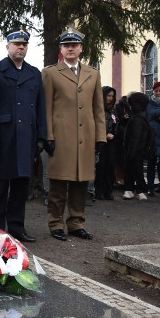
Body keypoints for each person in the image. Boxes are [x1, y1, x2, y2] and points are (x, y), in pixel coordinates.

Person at [42, 27, 105, 241]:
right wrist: (48, 135)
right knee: (59, 183)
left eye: (74, 45)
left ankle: (77, 223)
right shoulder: (50, 73)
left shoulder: (93, 73)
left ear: (81, 48)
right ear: (61, 49)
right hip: (61, 136)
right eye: (66, 45)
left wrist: (100, 137)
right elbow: (47, 107)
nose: (70, 48)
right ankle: (55, 223)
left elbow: (98, 109)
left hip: (85, 137)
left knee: (81, 182)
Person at [0, 27, 46, 243]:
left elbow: (40, 107)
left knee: (21, 187)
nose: (20, 47)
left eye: (24, 44)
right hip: (3, 135)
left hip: (26, 135)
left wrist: (41, 136)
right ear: (7, 46)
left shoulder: (34, 73)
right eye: (17, 44)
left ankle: (17, 228)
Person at [122, 92, 152, 201]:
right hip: (138, 150)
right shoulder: (141, 118)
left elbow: (135, 137)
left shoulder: (137, 120)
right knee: (133, 170)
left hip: (134, 150)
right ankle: (131, 190)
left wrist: (131, 151)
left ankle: (140, 190)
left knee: (135, 170)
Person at [95, 86, 117, 200]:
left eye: (112, 96)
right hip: (100, 141)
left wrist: (113, 133)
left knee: (110, 165)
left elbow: (116, 124)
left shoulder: (113, 110)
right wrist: (104, 135)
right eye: (109, 96)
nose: (111, 98)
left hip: (111, 142)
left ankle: (109, 191)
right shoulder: (98, 109)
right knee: (100, 166)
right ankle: (99, 191)